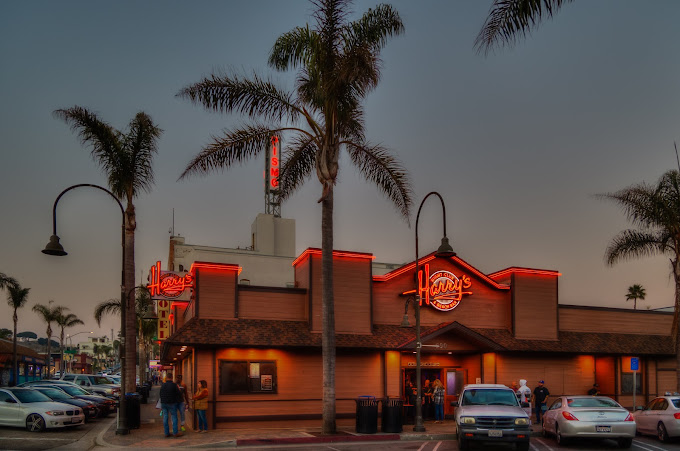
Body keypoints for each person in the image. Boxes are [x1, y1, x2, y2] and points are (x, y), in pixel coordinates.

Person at [160, 372, 182, 438]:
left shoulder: (163, 385)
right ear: (172, 377)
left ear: (166, 378)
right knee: (174, 417)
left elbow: (160, 394)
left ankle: (166, 433)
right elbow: (179, 394)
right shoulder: (174, 385)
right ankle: (175, 432)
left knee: (165, 417)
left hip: (164, 403)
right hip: (172, 403)